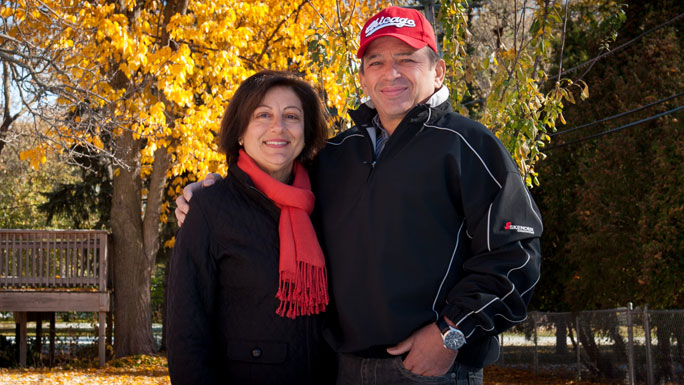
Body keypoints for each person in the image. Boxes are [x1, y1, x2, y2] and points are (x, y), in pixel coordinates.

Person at [176, 6, 542, 385]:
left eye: (407, 59)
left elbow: (516, 256)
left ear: (438, 70)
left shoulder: (469, 146)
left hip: (432, 369)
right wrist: (209, 196)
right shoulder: (336, 155)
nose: (391, 73)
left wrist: (451, 332)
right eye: (376, 62)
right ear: (364, 78)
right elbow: (279, 190)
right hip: (342, 368)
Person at [166, 70, 335, 385]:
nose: (278, 127)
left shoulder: (327, 199)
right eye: (263, 114)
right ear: (240, 132)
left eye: (292, 116)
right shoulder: (209, 208)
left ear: (307, 131)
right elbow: (185, 330)